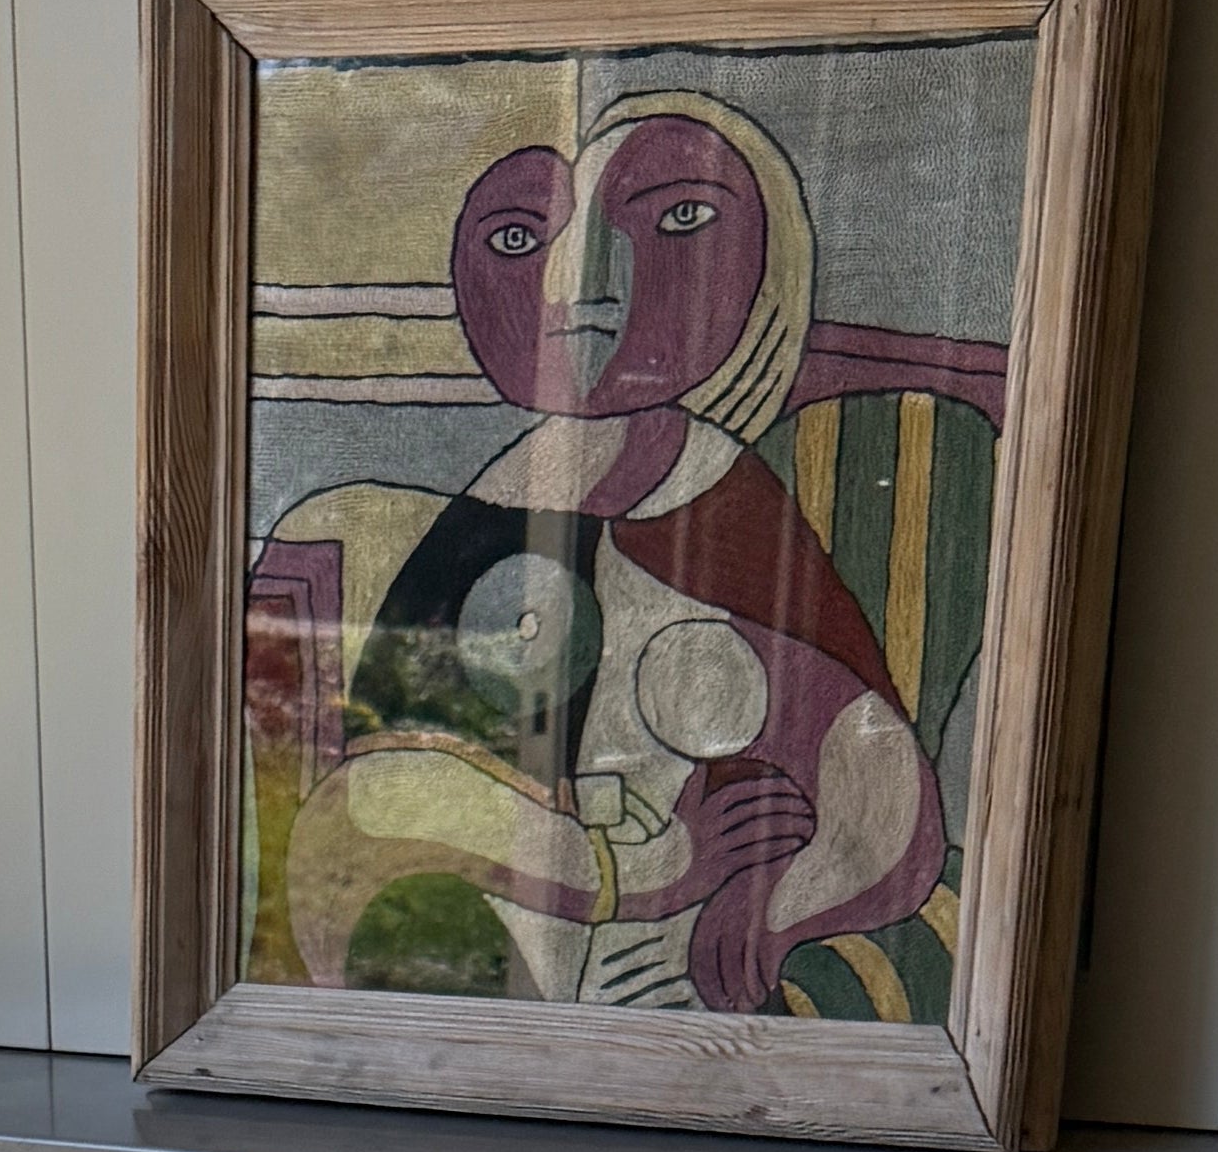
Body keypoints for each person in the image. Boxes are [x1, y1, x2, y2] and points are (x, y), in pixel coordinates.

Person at [254, 89, 955, 1020]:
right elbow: (367, 811)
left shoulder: (726, 510)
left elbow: (879, 794)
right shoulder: (487, 516)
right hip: (474, 974)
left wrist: (767, 911)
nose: (577, 285)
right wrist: (635, 868)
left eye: (679, 219)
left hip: (667, 995)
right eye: (518, 239)